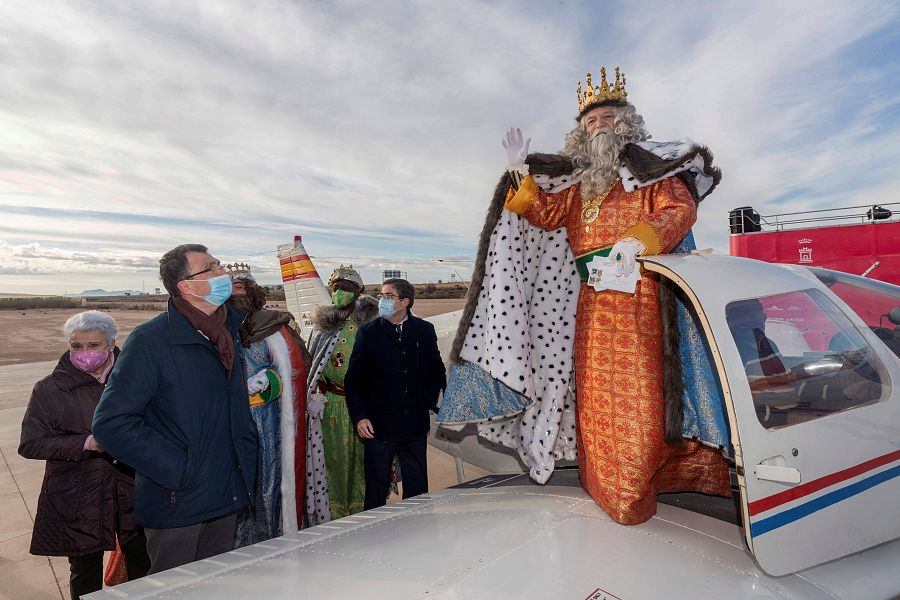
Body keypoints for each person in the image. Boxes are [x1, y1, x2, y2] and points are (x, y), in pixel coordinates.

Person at [438, 67, 730, 525]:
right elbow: (546, 212)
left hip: (642, 299)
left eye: (606, 117)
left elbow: (680, 208)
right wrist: (518, 173)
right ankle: (605, 489)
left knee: (642, 400)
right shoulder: (582, 185)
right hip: (592, 305)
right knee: (595, 402)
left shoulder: (651, 171)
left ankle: (633, 498)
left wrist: (636, 242)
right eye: (589, 121)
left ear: (625, 122)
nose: (597, 125)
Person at [92, 244, 257, 574]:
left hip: (227, 493)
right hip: (179, 501)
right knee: (175, 589)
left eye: (220, 264)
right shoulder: (151, 340)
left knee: (217, 587)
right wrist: (181, 470)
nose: (223, 272)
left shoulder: (229, 333)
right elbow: (111, 423)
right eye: (211, 267)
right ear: (187, 286)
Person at [19, 311, 150, 599]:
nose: (83, 353)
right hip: (78, 497)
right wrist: (87, 443)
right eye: (76, 346)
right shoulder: (49, 389)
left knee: (143, 567)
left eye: (93, 345)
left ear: (111, 343)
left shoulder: (137, 380)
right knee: (84, 574)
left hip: (132, 491)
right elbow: (30, 444)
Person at [345, 278, 446, 509]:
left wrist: (427, 402)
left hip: (414, 427)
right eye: (381, 295)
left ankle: (417, 534)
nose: (382, 300)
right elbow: (354, 379)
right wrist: (360, 416)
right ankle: (377, 537)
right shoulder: (368, 333)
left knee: (418, 489)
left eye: (388, 296)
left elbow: (436, 369)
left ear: (404, 302)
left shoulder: (425, 330)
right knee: (376, 489)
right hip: (379, 428)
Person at [227, 271, 310, 546]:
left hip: (266, 419)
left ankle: (270, 537)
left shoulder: (273, 325)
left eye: (242, 287)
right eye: (231, 288)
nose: (237, 292)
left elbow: (294, 369)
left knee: (268, 479)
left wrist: (271, 380)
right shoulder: (215, 327)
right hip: (227, 419)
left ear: (253, 293)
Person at [304, 265, 378, 523]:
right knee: (333, 462)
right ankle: (332, 514)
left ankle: (363, 512)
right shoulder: (323, 326)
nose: (340, 293)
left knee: (363, 463)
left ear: (357, 293)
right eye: (336, 288)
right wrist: (313, 395)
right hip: (331, 406)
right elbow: (312, 364)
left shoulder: (370, 325)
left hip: (364, 408)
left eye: (346, 289)